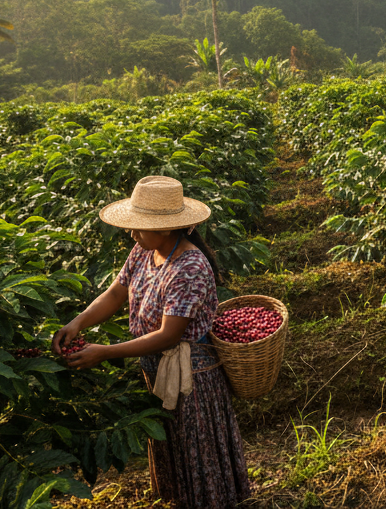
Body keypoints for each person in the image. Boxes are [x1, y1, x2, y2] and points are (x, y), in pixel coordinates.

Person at [53, 176, 251, 508]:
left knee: (195, 448)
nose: (132, 233)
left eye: (140, 228)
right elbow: (117, 291)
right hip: (156, 367)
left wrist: (104, 353)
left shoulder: (189, 267)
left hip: (191, 380)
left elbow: (168, 335)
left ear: (167, 228)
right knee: (172, 444)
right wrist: (78, 321)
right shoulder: (146, 250)